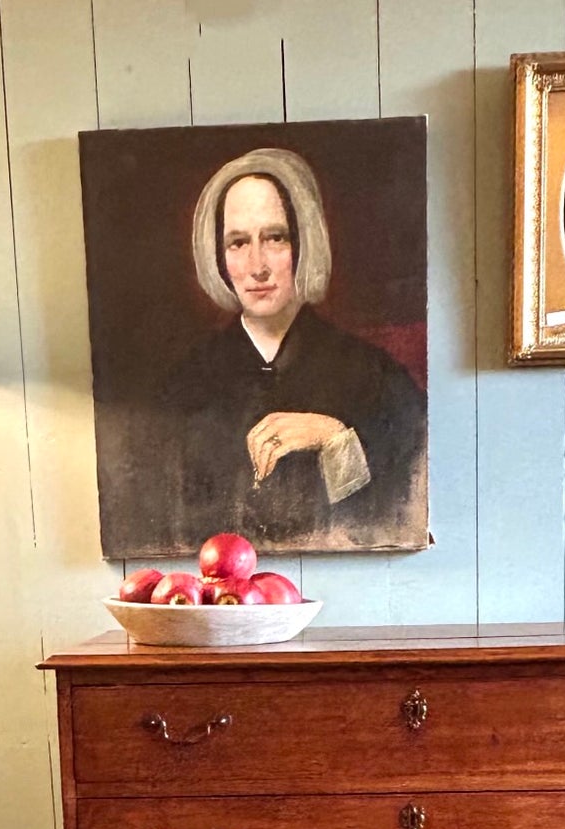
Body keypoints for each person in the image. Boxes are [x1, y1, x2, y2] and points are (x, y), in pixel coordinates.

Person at [162, 147, 426, 551]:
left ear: (304, 243)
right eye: (237, 243)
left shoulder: (377, 378)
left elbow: (392, 524)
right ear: (218, 255)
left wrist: (337, 441)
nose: (257, 265)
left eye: (275, 238)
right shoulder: (186, 386)